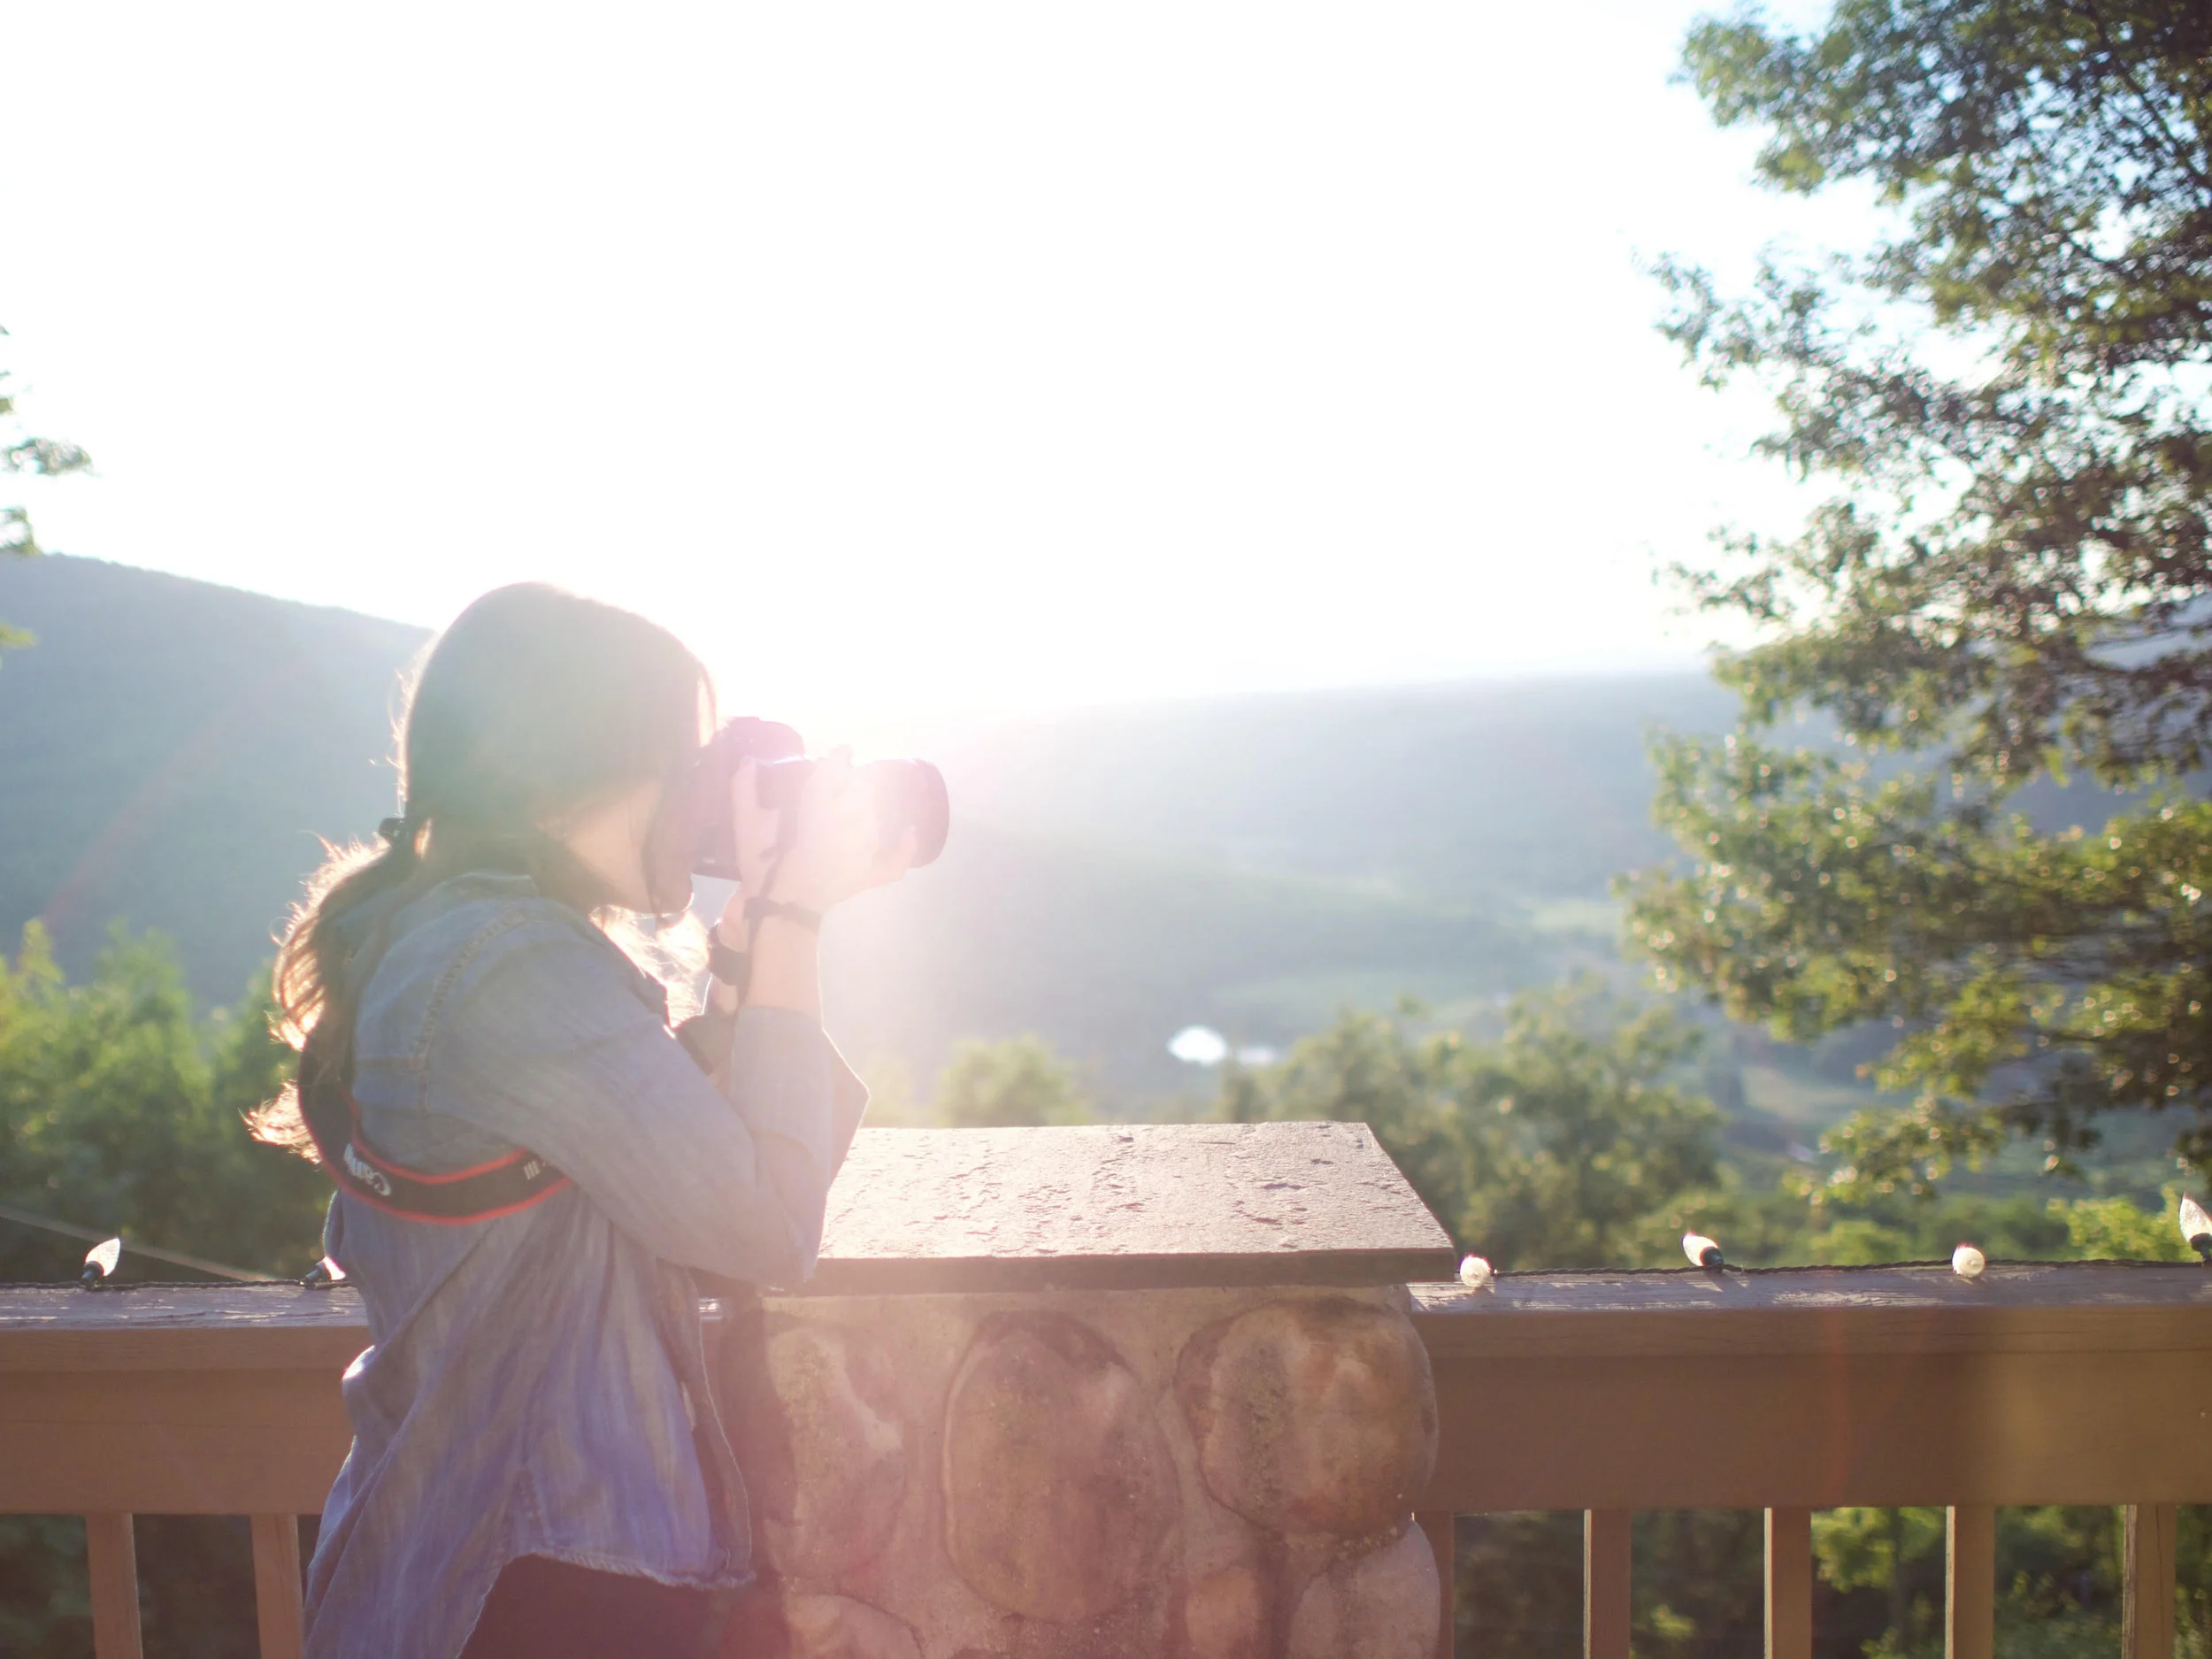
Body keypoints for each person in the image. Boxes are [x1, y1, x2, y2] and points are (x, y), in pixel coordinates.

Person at [253, 584, 910, 1659]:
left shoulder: (462, 943)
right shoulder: (511, 965)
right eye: (687, 764)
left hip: (501, 1576)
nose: (707, 798)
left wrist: (746, 963)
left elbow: (690, 1200)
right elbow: (764, 1228)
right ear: (566, 784)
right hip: (546, 1583)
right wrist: (796, 915)